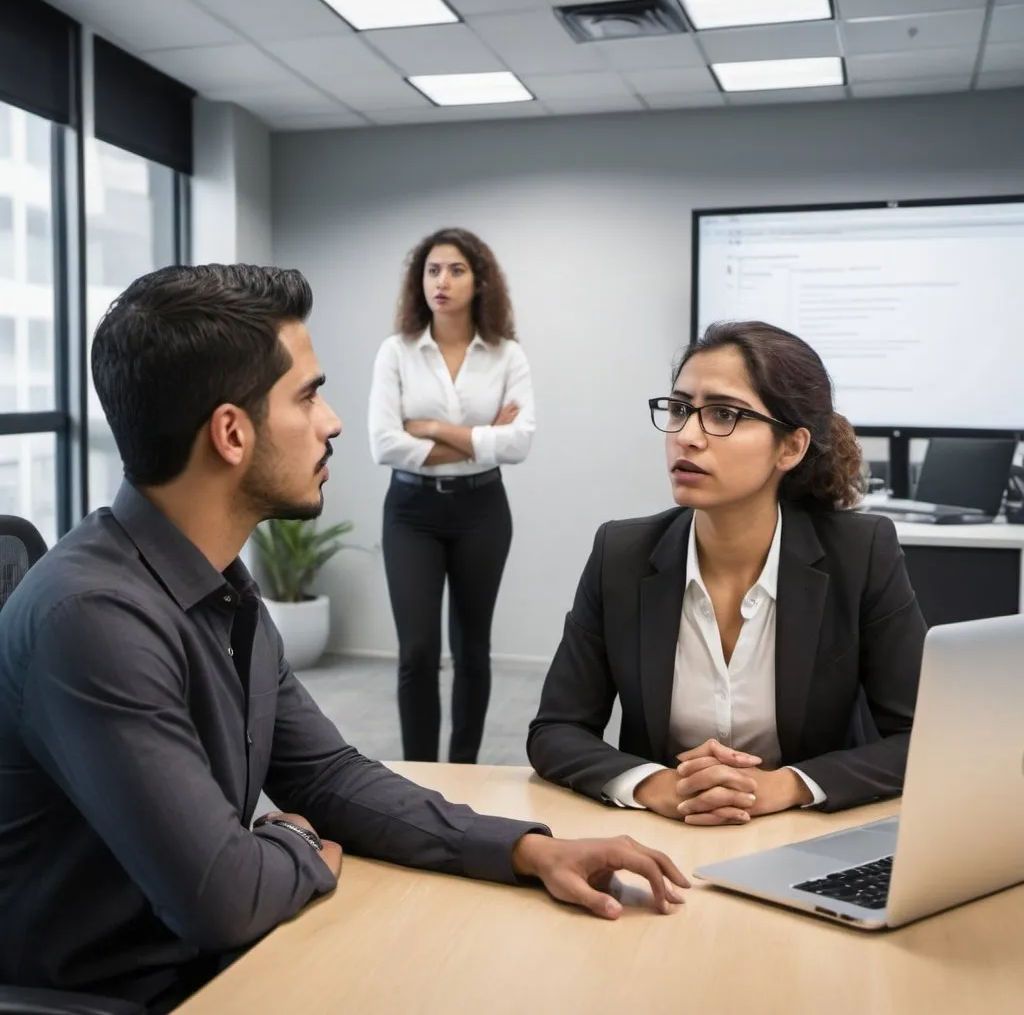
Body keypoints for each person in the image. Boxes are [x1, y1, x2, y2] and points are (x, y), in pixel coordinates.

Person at [0, 265, 685, 1014]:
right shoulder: (92, 618)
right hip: (138, 996)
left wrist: (529, 850)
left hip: (234, 964)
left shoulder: (216, 583)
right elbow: (222, 897)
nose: (330, 423)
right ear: (231, 432)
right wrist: (294, 841)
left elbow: (327, 777)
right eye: (308, 395)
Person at [528, 320, 926, 825]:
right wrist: (654, 784)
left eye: (723, 414)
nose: (687, 437)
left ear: (791, 448)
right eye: (679, 409)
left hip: (807, 839)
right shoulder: (621, 554)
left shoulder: (860, 552)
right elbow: (556, 730)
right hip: (663, 837)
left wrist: (785, 786)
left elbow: (922, 738)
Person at [368, 228, 535, 764]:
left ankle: (463, 769)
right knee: (417, 651)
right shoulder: (396, 352)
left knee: (472, 651)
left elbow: (520, 442)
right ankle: (417, 771)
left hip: (481, 511)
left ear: (479, 280)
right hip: (411, 512)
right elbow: (383, 444)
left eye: (456, 270)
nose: (442, 281)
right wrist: (480, 435)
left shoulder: (507, 355)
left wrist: (431, 427)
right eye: (433, 270)